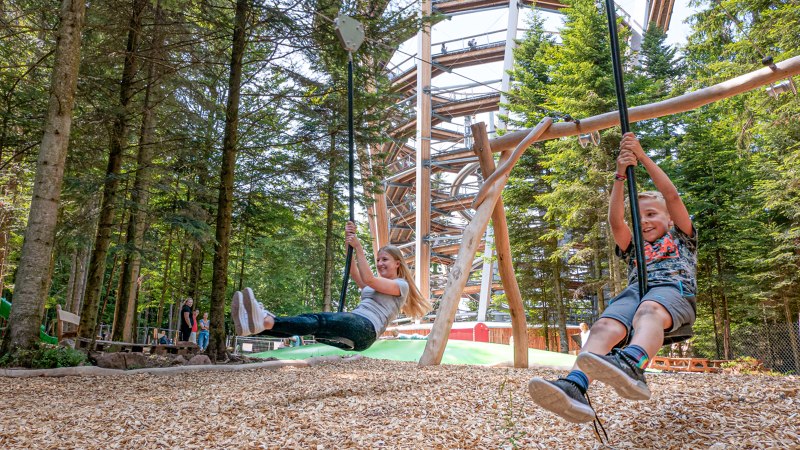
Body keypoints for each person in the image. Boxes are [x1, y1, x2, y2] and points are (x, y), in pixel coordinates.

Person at [528, 132, 697, 423]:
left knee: (649, 310)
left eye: (652, 214)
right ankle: (575, 386)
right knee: (604, 326)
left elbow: (672, 196)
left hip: (672, 290)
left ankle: (633, 363)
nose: (644, 221)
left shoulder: (683, 237)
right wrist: (620, 175)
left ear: (669, 219)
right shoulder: (633, 246)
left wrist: (641, 157)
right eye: (639, 217)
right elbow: (615, 221)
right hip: (635, 293)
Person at [231, 221, 431, 351]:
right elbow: (354, 272)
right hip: (355, 330)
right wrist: (349, 243)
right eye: (378, 260)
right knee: (308, 322)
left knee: (318, 320)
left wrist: (359, 247)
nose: (379, 264)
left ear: (397, 263)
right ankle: (258, 325)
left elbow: (369, 279)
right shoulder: (375, 287)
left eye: (384, 259)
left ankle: (264, 320)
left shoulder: (400, 285)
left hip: (365, 327)